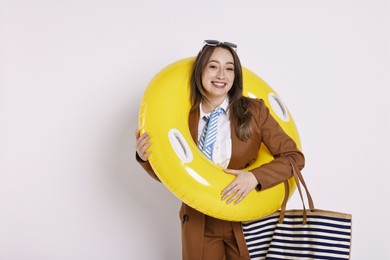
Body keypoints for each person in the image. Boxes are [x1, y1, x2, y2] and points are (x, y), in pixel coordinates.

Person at [135, 40, 305, 260]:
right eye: (213, 66)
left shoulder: (255, 111)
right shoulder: (182, 119)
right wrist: (145, 158)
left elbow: (294, 158)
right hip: (200, 222)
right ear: (201, 71)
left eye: (229, 68)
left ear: (236, 76)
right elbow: (175, 175)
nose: (221, 75)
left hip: (247, 218)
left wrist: (254, 177)